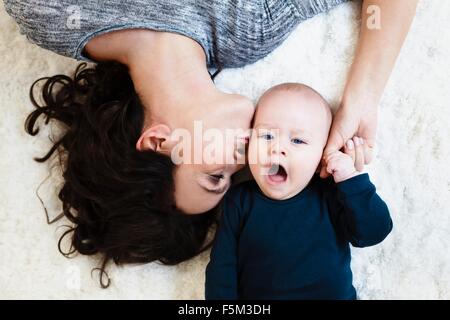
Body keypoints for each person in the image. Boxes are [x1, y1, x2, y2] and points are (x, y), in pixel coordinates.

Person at [3, 0, 416, 287]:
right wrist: (362, 98)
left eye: (216, 176)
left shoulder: (49, 13)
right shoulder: (250, 25)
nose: (249, 161)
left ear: (158, 141)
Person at [205, 83, 393, 299]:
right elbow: (222, 268)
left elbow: (374, 231)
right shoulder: (239, 200)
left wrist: (350, 178)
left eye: (297, 140)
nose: (277, 148)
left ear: (322, 155)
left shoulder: (332, 194)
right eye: (266, 136)